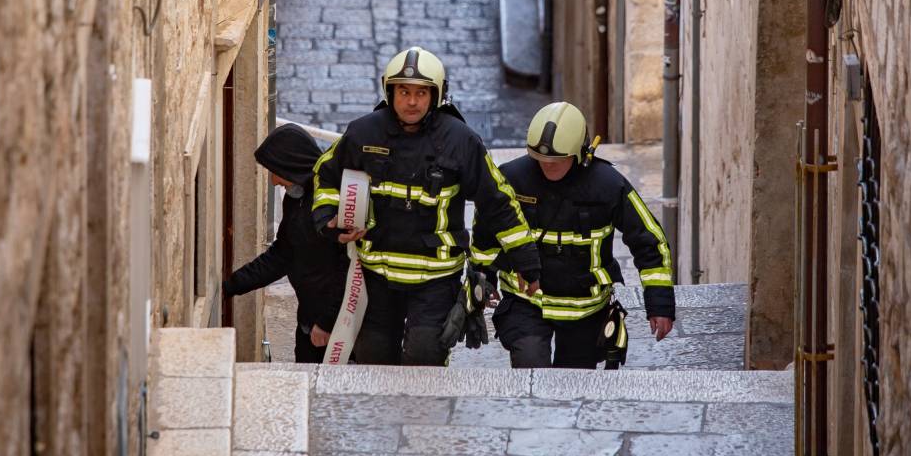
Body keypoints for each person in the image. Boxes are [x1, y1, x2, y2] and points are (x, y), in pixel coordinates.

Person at [312, 46, 540, 365]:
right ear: (389, 91)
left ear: (437, 95)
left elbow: (499, 202)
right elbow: (326, 173)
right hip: (376, 276)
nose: (412, 101)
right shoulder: (363, 132)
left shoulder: (461, 141)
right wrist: (328, 217)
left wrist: (527, 262)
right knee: (373, 360)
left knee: (424, 357)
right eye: (403, 91)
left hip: (436, 279)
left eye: (421, 93)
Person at [471, 101, 675, 369]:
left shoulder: (609, 186)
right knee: (530, 364)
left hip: (585, 310)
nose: (547, 166)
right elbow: (486, 231)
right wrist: (482, 278)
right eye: (541, 159)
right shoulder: (512, 178)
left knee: (573, 388)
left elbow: (648, 240)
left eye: (556, 161)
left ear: (581, 153)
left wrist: (659, 304)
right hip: (526, 302)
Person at [223, 123, 347, 363]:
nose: (273, 181)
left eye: (275, 171)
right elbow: (283, 254)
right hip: (309, 321)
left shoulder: (330, 204)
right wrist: (232, 285)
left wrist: (327, 323)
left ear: (292, 166)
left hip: (336, 329)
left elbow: (348, 269)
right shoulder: (295, 200)